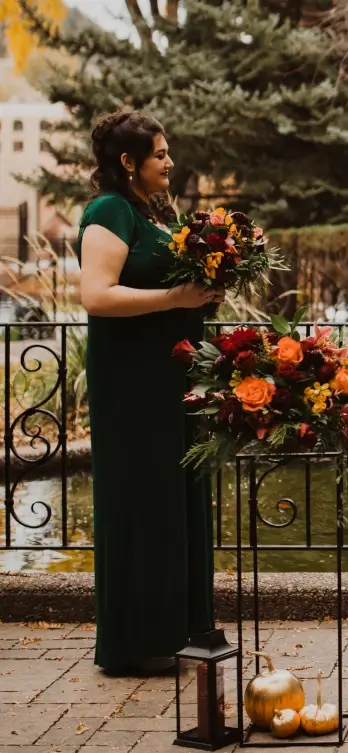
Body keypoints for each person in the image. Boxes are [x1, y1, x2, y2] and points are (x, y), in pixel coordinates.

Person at [78, 111, 223, 675]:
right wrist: (175, 301)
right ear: (127, 162)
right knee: (142, 501)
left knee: (173, 499)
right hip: (132, 385)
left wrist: (206, 293)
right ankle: (132, 641)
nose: (169, 162)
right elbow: (96, 295)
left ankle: (174, 628)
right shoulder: (109, 210)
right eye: (159, 154)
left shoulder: (152, 214)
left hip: (170, 380)